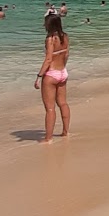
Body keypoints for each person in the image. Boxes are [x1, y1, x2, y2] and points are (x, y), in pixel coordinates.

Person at [34, 11, 71, 142]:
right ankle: (66, 132)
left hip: (51, 74)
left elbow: (49, 59)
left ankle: (48, 138)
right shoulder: (65, 37)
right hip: (62, 72)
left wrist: (39, 76)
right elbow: (66, 55)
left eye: (45, 23)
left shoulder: (50, 39)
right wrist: (62, 67)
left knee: (50, 108)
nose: (43, 25)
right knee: (63, 103)